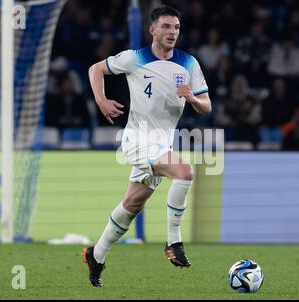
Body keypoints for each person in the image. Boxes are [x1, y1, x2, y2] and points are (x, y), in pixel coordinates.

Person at [83, 5, 211, 287]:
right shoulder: (134, 58)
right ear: (152, 30)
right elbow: (96, 70)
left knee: (132, 204)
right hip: (137, 140)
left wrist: (192, 98)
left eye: (176, 28)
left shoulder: (189, 63)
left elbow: (206, 106)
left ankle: (97, 254)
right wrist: (102, 101)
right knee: (185, 172)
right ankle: (173, 242)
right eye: (166, 27)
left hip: (162, 143)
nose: (172, 32)